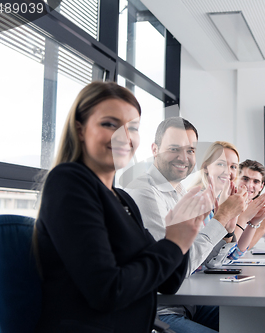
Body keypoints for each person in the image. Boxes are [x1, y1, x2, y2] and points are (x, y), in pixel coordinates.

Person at [34, 81, 210, 332]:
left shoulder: (122, 199)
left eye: (133, 128)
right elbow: (107, 291)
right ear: (80, 129)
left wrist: (180, 232)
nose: (124, 137)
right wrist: (173, 244)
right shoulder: (69, 182)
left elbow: (168, 282)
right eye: (109, 124)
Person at [125, 122, 246, 333]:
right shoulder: (144, 193)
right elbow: (173, 271)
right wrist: (221, 217)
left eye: (190, 150)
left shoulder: (180, 193)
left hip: (188, 305)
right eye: (174, 148)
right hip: (160, 313)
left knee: (255, 319)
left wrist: (226, 232)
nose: (184, 157)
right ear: (154, 149)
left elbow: (202, 263)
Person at [189, 144, 265, 260]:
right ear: (206, 167)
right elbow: (210, 259)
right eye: (221, 164)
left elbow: (233, 255)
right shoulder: (198, 202)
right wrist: (243, 219)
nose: (228, 171)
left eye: (233, 167)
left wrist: (253, 223)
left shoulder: (217, 201)